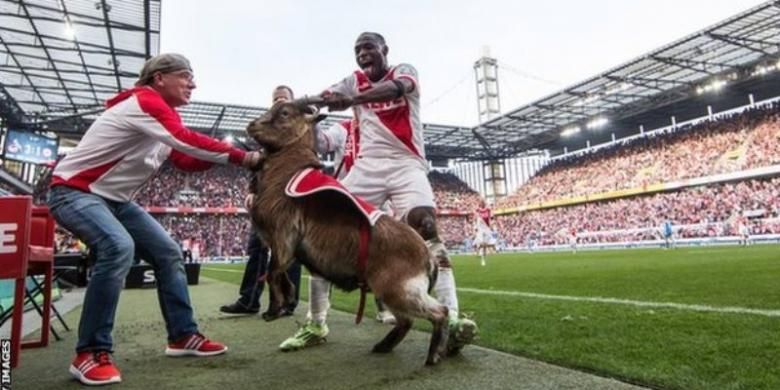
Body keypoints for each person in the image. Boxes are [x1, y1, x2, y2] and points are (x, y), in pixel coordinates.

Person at [47, 53, 262, 386]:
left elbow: (185, 160)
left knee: (169, 252)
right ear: (159, 78)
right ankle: (89, 352)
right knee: (119, 247)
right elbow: (185, 140)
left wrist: (222, 158)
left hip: (114, 200)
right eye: (186, 76)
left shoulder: (162, 115)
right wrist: (243, 157)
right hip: (74, 191)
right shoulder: (145, 101)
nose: (194, 83)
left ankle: (182, 336)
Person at [280, 32, 477, 354]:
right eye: (357, 49)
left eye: (368, 47)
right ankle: (316, 322)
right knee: (321, 237)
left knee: (426, 227)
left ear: (384, 49)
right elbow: (323, 99)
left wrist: (353, 100)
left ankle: (452, 319)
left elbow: (397, 89)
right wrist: (301, 108)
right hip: (367, 168)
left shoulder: (404, 71)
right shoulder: (351, 81)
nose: (362, 53)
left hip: (406, 164)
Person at [220, 85, 303, 319]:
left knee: (289, 252)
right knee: (256, 248)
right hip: (264, 201)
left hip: (289, 200)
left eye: (283, 98)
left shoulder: (300, 130)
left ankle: (287, 302)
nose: (278, 102)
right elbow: (259, 164)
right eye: (275, 99)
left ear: (292, 103)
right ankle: (249, 300)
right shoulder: (266, 131)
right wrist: (252, 189)